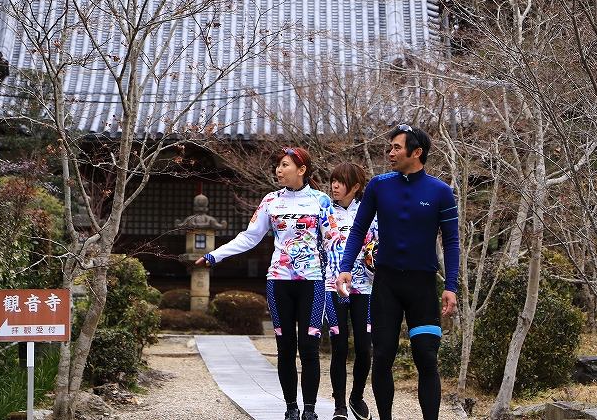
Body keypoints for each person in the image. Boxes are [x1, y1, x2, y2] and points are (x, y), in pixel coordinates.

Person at [196, 147, 342, 420]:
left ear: (301, 170)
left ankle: (310, 410)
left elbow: (334, 240)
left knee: (309, 347)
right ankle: (290, 409)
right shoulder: (271, 201)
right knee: (285, 347)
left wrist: (344, 274)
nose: (278, 169)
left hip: (312, 281)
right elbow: (250, 236)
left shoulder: (321, 201)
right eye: (277, 165)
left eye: (284, 165)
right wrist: (215, 255)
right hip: (278, 281)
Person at [335, 124, 459, 420]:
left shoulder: (441, 192)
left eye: (396, 148)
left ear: (417, 153)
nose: (390, 153)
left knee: (426, 358)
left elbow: (452, 242)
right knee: (383, 358)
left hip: (423, 286)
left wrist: (451, 285)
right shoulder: (379, 185)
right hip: (386, 284)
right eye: (389, 147)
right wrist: (345, 268)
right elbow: (358, 230)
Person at [324, 163, 378, 420]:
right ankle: (339, 407)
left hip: (365, 288)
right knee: (339, 347)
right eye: (333, 181)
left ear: (355, 187)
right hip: (332, 287)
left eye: (341, 181)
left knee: (364, 347)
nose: (334, 186)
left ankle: (356, 396)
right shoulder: (323, 212)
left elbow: (378, 248)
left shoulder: (371, 214)